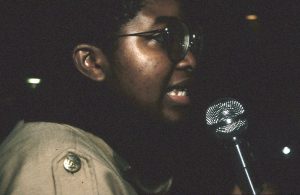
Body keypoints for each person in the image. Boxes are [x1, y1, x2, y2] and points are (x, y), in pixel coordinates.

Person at [0, 0, 206, 194]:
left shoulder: (103, 151)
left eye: (188, 41)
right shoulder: (68, 165)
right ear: (93, 62)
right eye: (164, 38)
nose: (190, 60)